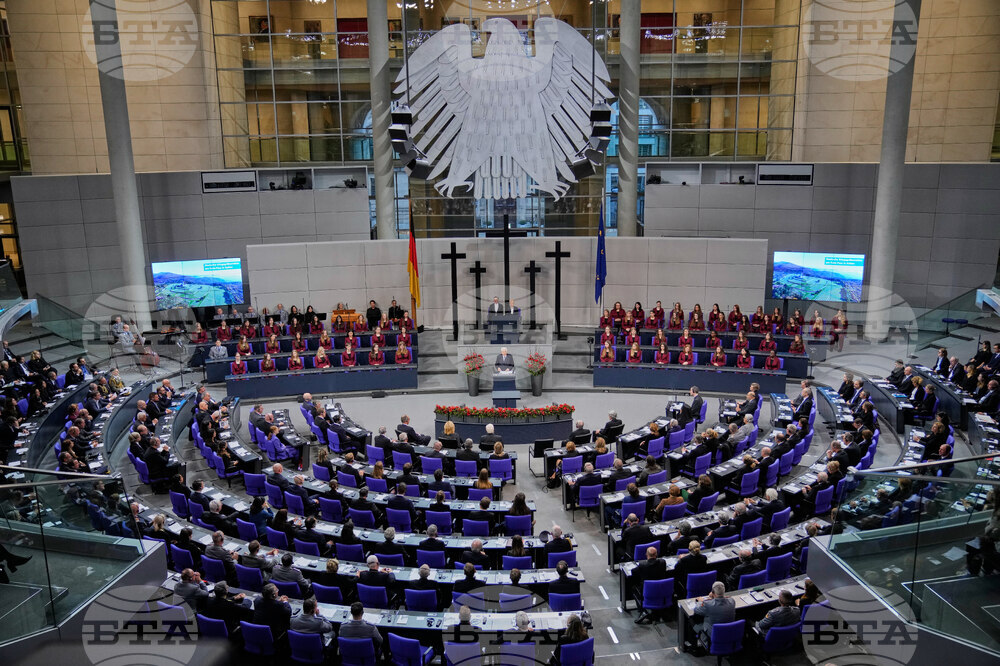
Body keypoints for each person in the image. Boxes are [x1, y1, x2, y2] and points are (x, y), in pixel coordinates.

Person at [690, 581, 736, 647]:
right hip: (728, 633)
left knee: (691, 619)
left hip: (713, 634)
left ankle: (694, 647)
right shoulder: (732, 601)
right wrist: (713, 598)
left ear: (713, 592)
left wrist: (701, 601)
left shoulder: (707, 605)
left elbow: (696, 609)